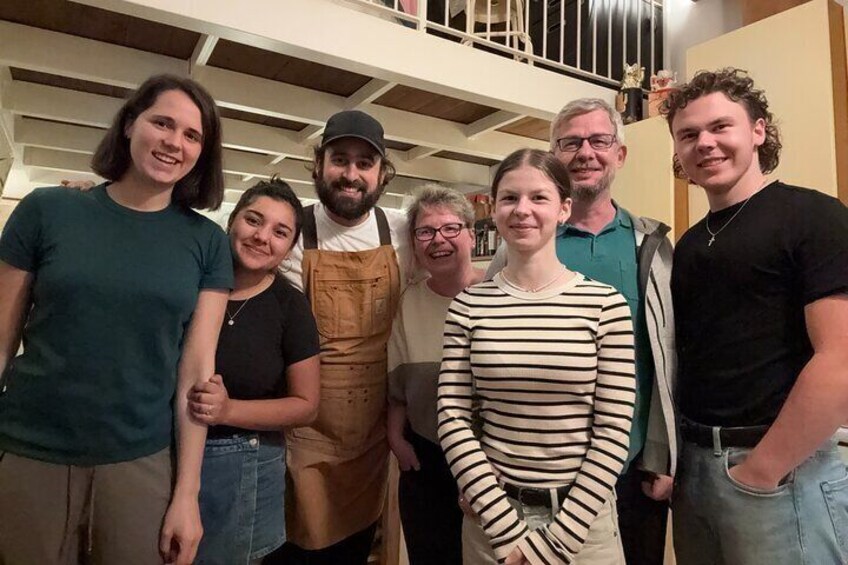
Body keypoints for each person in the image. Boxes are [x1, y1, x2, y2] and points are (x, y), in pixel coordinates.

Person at [0, 74, 233, 565]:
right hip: (28, 450)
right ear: (130, 124)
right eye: (162, 123)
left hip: (140, 459)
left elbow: (195, 373)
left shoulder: (206, 242)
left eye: (193, 135)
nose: (175, 142)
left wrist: (187, 495)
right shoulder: (48, 209)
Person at [662, 68, 848, 565]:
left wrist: (763, 470)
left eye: (721, 127)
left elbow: (841, 361)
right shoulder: (689, 244)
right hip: (695, 469)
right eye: (689, 134)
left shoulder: (813, 217)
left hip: (780, 474)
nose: (705, 143)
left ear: (758, 131)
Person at [488, 98, 676, 564]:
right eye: (570, 143)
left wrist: (660, 453)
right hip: (531, 474)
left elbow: (666, 357)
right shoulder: (518, 245)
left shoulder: (650, 245)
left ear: (620, 154)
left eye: (599, 140)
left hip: (630, 468)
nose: (585, 152)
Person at [439, 148, 635, 565]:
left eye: (538, 198)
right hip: (491, 523)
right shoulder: (469, 306)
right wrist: (504, 528)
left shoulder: (605, 305)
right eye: (509, 198)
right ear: (493, 210)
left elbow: (614, 430)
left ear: (564, 208)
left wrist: (555, 541)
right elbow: (452, 415)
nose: (522, 210)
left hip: (584, 527)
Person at [265, 110, 410, 565]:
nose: (351, 174)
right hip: (302, 434)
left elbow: (457, 265)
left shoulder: (402, 232)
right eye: (340, 159)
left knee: (353, 550)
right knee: (294, 550)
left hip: (369, 440)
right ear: (319, 164)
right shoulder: (290, 231)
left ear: (382, 173)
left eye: (364, 163)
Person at [190, 178, 321, 564]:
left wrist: (229, 410)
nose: (262, 237)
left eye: (280, 232)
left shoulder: (290, 306)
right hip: (166, 452)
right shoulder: (191, 281)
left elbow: (306, 405)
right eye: (254, 220)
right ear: (232, 221)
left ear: (289, 248)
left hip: (244, 464)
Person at [387, 184, 485, 565]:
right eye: (425, 232)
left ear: (471, 236)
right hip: (426, 457)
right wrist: (395, 436)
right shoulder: (409, 301)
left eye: (450, 228)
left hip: (492, 459)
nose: (438, 240)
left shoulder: (499, 294)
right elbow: (398, 386)